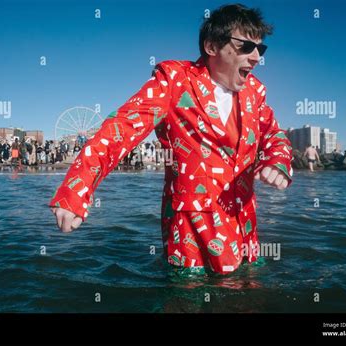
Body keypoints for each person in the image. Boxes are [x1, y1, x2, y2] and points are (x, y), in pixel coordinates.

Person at [50, 4, 293, 275]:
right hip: (191, 229)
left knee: (248, 298)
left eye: (261, 48)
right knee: (185, 300)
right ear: (211, 46)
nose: (257, 56)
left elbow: (275, 134)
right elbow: (120, 129)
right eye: (246, 46)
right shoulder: (175, 80)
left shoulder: (255, 93)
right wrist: (76, 190)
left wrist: (277, 161)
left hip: (245, 225)